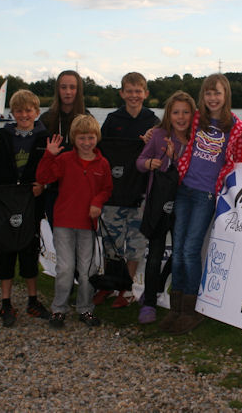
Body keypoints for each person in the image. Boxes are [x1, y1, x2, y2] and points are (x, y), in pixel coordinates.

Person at [167, 73, 242, 335]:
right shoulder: (196, 120)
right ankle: (176, 307)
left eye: (217, 93)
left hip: (206, 195)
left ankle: (190, 310)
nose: (212, 98)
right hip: (184, 189)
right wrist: (152, 135)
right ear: (202, 97)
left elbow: (240, 159)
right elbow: (171, 127)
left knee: (191, 249)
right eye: (208, 93)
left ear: (225, 96)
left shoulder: (235, 127)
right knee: (178, 248)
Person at [0, 89, 52, 327]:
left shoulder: (45, 138)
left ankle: (33, 300)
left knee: (29, 250)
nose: (24, 114)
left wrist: (43, 184)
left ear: (36, 112)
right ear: (12, 113)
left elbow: (54, 169)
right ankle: (5, 302)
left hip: (32, 202)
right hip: (5, 203)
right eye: (19, 110)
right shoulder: (2, 137)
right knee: (5, 251)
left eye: (28, 110)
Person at [37, 114, 112, 329]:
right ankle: (59, 309)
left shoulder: (102, 163)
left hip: (88, 224)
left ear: (96, 138)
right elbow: (43, 178)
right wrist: (48, 156)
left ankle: (85, 308)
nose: (86, 143)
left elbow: (107, 189)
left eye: (90, 138)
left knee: (87, 268)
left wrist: (98, 202)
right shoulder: (64, 159)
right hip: (64, 222)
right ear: (74, 139)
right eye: (81, 139)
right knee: (65, 268)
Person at [95, 72, 160, 309]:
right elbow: (100, 154)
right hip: (114, 193)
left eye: (138, 91)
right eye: (129, 91)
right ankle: (109, 285)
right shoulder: (112, 120)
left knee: (135, 244)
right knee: (112, 242)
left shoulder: (154, 122)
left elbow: (162, 155)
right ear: (122, 93)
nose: (134, 96)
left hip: (142, 194)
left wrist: (151, 144)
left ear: (146, 93)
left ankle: (126, 288)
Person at [136, 90, 196, 325]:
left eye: (185, 112)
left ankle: (159, 284)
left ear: (193, 115)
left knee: (181, 252)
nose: (180, 117)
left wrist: (175, 158)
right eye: (176, 112)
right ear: (168, 114)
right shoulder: (159, 135)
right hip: (160, 204)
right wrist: (150, 162)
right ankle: (149, 302)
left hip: (186, 204)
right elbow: (139, 162)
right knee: (156, 252)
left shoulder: (196, 139)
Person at [39, 70, 91, 227]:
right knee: (59, 242)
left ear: (78, 90)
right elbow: (39, 157)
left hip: (81, 192)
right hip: (54, 192)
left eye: (72, 87)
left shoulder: (87, 118)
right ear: (57, 90)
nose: (68, 92)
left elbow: (97, 154)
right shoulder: (46, 119)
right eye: (63, 87)